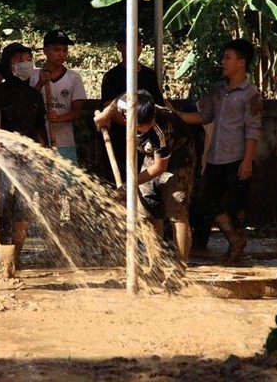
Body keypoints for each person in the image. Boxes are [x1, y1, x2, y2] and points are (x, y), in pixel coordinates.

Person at [171, 39, 262, 262]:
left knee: (236, 208)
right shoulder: (219, 91)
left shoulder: (251, 95)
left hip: (237, 158)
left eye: (227, 58)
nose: (223, 62)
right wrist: (177, 116)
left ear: (241, 63)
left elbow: (253, 129)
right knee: (205, 202)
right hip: (215, 158)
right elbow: (205, 116)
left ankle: (236, 246)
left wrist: (248, 161)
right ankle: (235, 240)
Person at [94, 91, 195, 267]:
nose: (144, 129)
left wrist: (127, 186)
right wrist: (104, 115)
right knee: (147, 211)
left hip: (179, 160)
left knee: (176, 211)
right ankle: (155, 265)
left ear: (154, 114)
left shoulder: (162, 130)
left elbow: (159, 168)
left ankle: (180, 269)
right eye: (140, 127)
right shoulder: (126, 104)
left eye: (147, 125)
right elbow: (118, 99)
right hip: (151, 156)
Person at [0, 42, 47, 265]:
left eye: (28, 60)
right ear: (8, 65)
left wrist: (45, 158)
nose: (26, 64)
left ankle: (16, 257)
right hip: (2, 158)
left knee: (23, 208)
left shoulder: (35, 96)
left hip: (27, 158)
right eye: (20, 60)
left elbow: (40, 129)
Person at [100, 29, 164, 179]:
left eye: (139, 43)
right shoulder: (111, 77)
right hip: (121, 139)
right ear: (119, 47)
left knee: (145, 182)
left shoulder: (149, 74)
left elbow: (159, 104)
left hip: (148, 140)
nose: (136, 47)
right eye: (131, 43)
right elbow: (109, 108)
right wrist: (133, 124)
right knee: (120, 181)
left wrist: (146, 126)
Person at [30, 30, 86, 163]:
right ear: (45, 51)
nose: (61, 54)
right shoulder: (32, 76)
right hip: (39, 142)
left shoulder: (74, 78)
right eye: (57, 50)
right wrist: (40, 84)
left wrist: (59, 118)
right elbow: (27, 105)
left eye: (64, 50)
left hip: (65, 143)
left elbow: (77, 111)